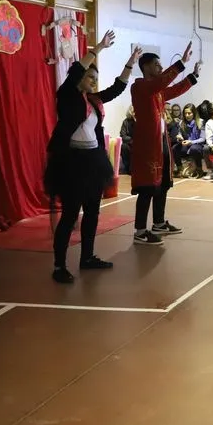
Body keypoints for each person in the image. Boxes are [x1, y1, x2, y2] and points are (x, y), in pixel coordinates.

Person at [44, 30, 133, 283]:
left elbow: (117, 88)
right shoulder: (67, 96)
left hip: (93, 161)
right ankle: (59, 265)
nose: (93, 81)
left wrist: (130, 63)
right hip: (72, 163)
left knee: (93, 212)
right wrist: (99, 48)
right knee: (70, 214)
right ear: (79, 78)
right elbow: (74, 71)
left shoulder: (93, 100)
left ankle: (87, 257)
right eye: (89, 77)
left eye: (96, 78)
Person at [130, 42, 200, 245]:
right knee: (147, 187)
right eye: (157, 64)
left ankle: (159, 223)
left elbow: (175, 89)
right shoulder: (140, 86)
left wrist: (193, 76)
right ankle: (140, 231)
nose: (160, 68)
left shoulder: (157, 91)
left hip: (161, 143)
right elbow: (162, 82)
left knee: (162, 185)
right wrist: (181, 63)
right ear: (146, 67)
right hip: (148, 146)